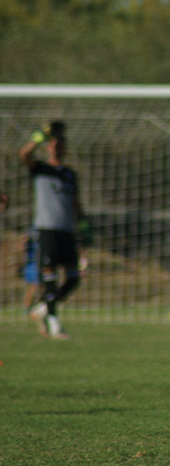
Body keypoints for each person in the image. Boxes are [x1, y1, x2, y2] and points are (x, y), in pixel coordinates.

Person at [19, 121, 87, 340]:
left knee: (74, 278)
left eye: (60, 144)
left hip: (66, 230)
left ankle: (42, 309)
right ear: (48, 147)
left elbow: (76, 203)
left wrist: (84, 227)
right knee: (49, 279)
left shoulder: (69, 174)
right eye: (53, 143)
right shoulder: (41, 168)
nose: (57, 147)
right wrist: (38, 137)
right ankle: (54, 323)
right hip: (46, 229)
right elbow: (24, 155)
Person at [20, 229, 42, 330]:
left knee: (38, 287)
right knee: (33, 287)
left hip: (36, 264)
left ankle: (33, 309)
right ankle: (27, 310)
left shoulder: (37, 229)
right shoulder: (33, 230)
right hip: (33, 265)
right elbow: (22, 243)